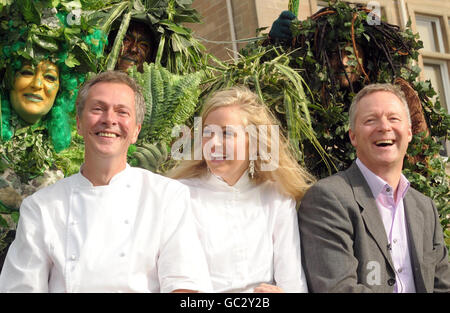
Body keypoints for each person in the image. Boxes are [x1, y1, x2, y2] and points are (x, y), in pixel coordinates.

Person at [0, 71, 211, 293]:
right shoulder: (41, 207)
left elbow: (186, 285)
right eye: (98, 109)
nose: (109, 119)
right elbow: (20, 288)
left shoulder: (167, 196)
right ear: (79, 124)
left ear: (136, 131)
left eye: (122, 111)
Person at [298, 83, 450, 292]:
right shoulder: (327, 199)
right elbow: (338, 289)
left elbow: (442, 286)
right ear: (353, 136)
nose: (384, 127)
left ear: (409, 133)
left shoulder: (425, 208)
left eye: (394, 118)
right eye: (370, 120)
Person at [169, 86, 314, 293]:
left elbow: (293, 285)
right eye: (208, 132)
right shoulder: (179, 196)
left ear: (254, 143)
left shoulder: (277, 197)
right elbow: (176, 283)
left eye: (227, 133)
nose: (213, 143)